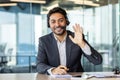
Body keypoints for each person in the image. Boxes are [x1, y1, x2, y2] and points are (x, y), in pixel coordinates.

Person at [37, 7, 102, 75]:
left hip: (76, 78)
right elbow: (40, 65)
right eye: (53, 21)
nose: (57, 25)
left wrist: (82, 44)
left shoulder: (77, 37)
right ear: (49, 24)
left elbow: (97, 61)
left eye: (61, 20)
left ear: (66, 21)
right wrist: (53, 70)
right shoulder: (44, 41)